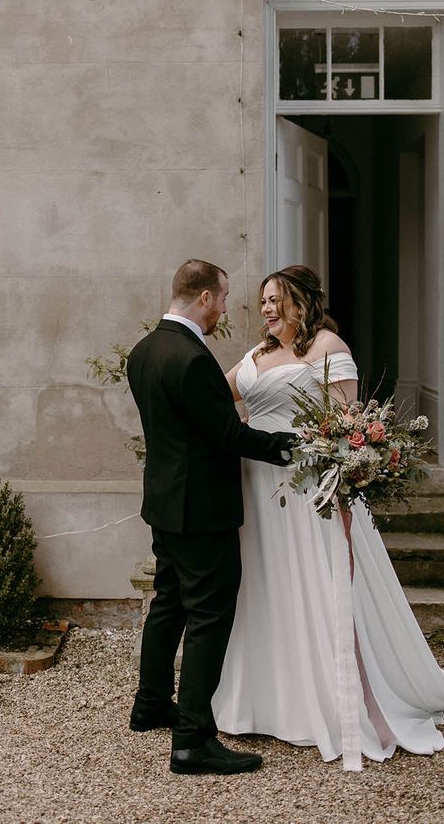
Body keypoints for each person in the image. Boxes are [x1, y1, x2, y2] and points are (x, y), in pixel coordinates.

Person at [212, 265, 444, 770]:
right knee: (264, 587)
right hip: (255, 487)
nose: (267, 309)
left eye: (277, 300)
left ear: (301, 303)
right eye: (263, 301)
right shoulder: (256, 354)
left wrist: (340, 495)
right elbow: (215, 397)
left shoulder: (329, 350)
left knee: (313, 585)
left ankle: (328, 699)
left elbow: (343, 430)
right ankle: (261, 699)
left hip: (307, 490)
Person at [126, 259, 297, 776]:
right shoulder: (191, 358)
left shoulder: (144, 351)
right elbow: (229, 435)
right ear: (203, 297)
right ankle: (193, 741)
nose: (226, 308)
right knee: (209, 615)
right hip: (201, 510)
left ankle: (151, 703)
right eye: (223, 298)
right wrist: (293, 446)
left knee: (170, 602)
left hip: (164, 503)